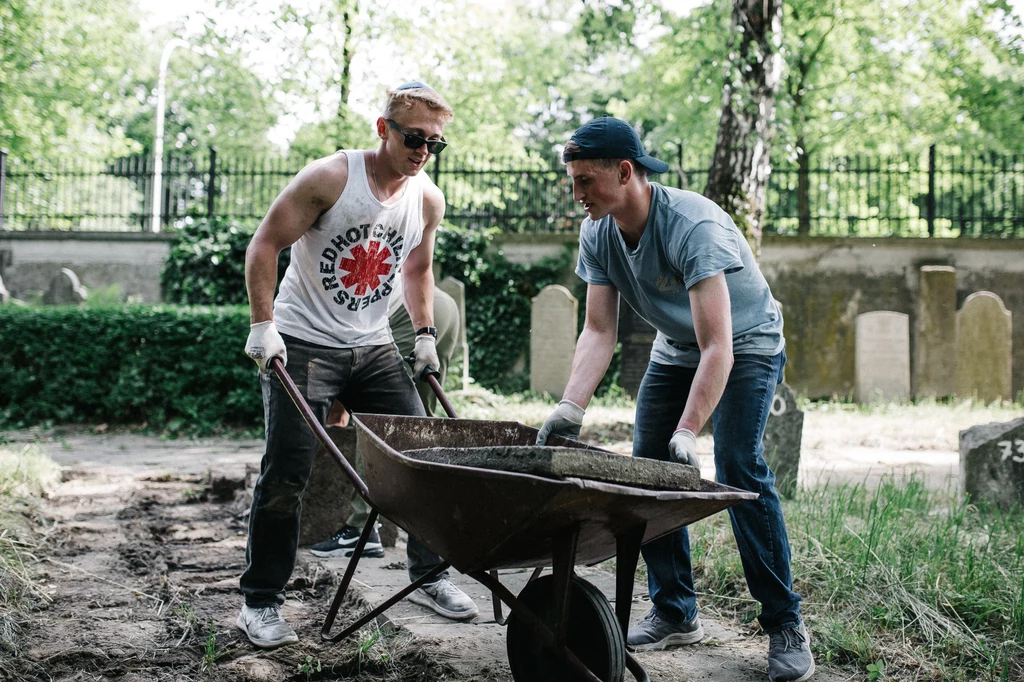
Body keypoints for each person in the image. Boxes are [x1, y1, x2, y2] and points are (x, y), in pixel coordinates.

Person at [536, 117, 813, 682]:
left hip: (746, 344)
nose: (577, 194)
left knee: (739, 467)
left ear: (626, 171)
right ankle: (674, 611)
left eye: (586, 180)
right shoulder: (599, 231)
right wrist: (571, 407)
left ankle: (785, 622)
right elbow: (598, 331)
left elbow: (719, 346)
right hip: (676, 348)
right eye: (572, 180)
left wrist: (688, 430)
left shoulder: (694, 225)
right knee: (649, 470)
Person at [238, 80, 479, 650]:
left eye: (435, 143)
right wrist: (262, 324)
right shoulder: (330, 178)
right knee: (287, 471)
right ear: (383, 129)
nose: (423, 150)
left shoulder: (426, 198)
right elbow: (264, 244)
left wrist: (423, 336)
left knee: (423, 457)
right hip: (305, 342)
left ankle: (428, 575)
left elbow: (418, 270)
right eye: (413, 137)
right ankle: (261, 602)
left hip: (373, 346)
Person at [310, 284, 461, 559]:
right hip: (442, 305)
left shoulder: (309, 296)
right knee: (421, 422)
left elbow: (339, 364)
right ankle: (432, 533)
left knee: (377, 422)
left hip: (407, 310)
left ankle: (360, 530)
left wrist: (338, 410)